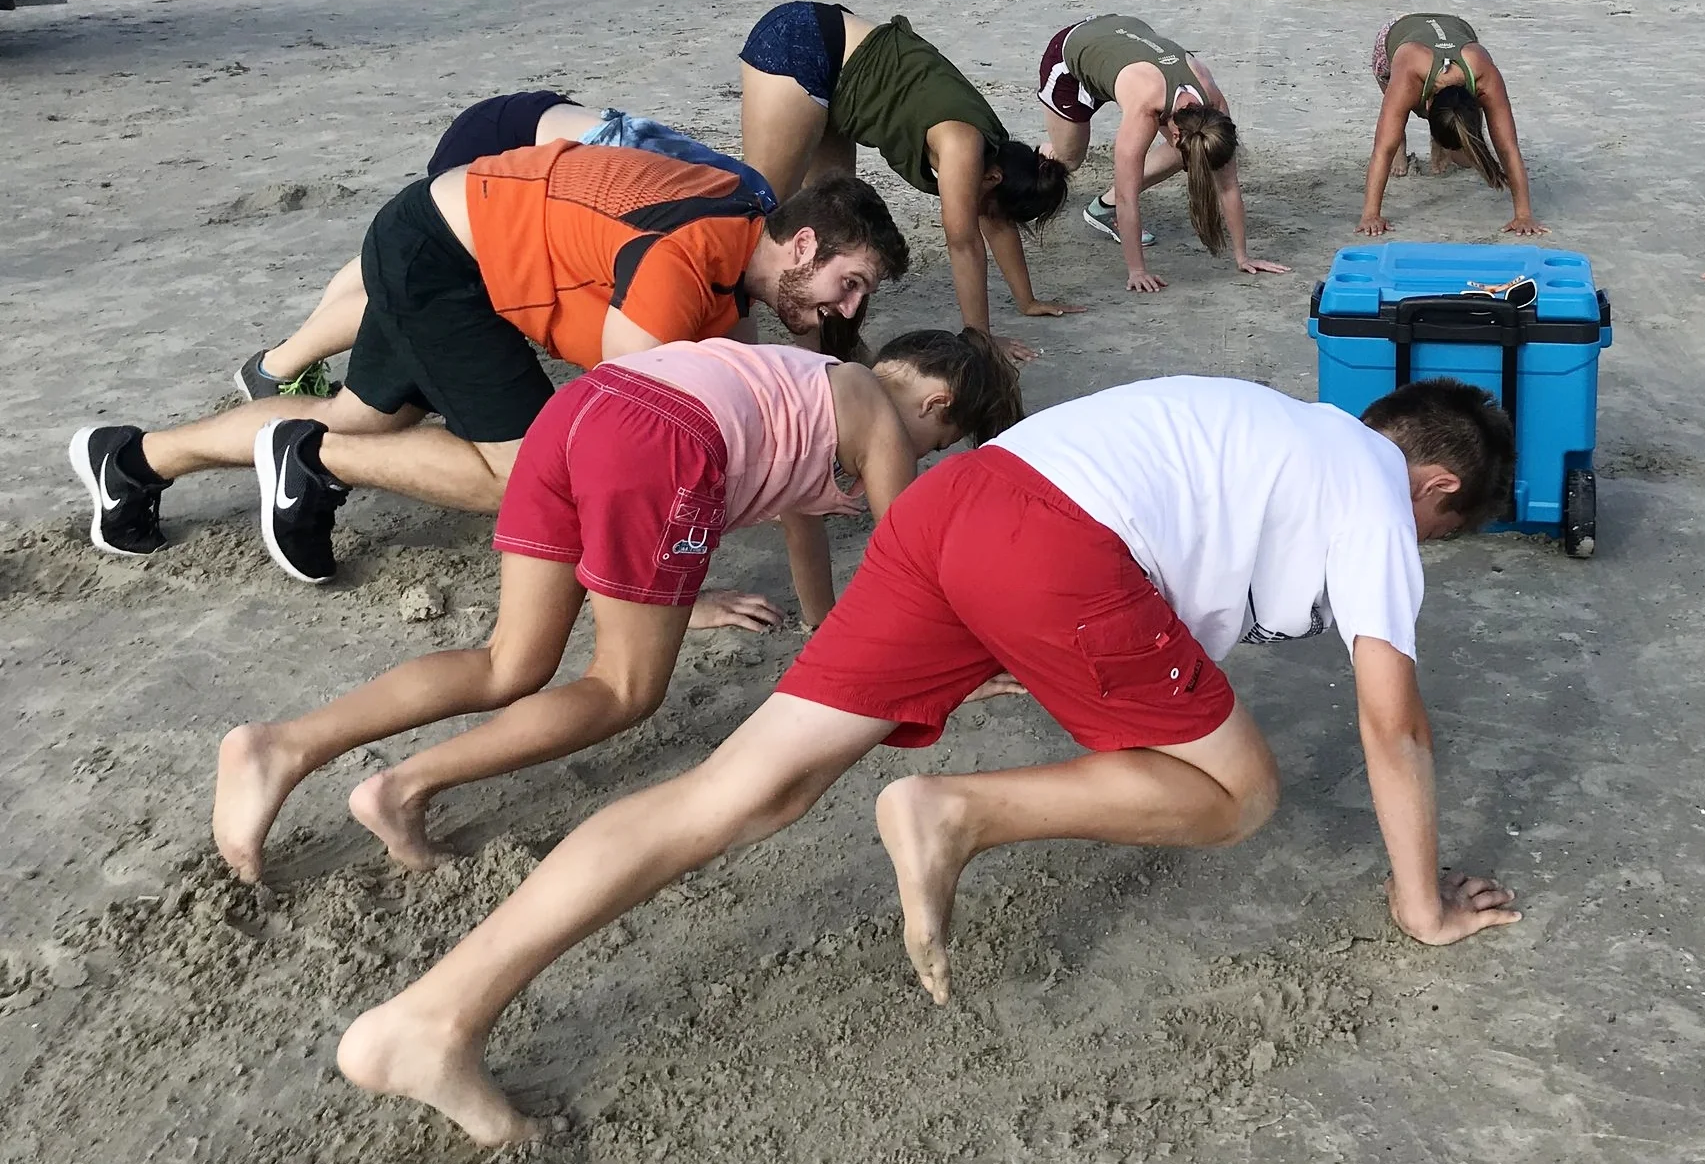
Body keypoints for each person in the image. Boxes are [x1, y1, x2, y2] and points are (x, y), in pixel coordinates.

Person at [332, 375, 1524, 1146]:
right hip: (1054, 545)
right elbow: (1392, 723)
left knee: (738, 792)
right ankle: (955, 815)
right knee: (1240, 791)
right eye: (1435, 534)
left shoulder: (1275, 428)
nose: (1412, 552)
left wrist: (1016, 628)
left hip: (956, 510)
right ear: (1435, 485)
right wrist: (1418, 902)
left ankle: (430, 1018)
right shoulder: (1375, 491)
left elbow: (1135, 541)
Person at [211, 329, 1022, 884]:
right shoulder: (879, 413)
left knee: (511, 663)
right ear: (936, 404)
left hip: (582, 410)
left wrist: (819, 621)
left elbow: (797, 516)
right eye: (937, 446)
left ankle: (282, 746)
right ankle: (404, 786)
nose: (920, 458)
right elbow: (908, 559)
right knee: (624, 688)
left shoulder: (805, 381)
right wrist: (952, 668)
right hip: (663, 440)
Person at [68, 143, 908, 584]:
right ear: (803, 244)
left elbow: (750, 390)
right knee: (532, 476)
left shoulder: (740, 246)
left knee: (361, 415)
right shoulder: (681, 267)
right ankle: (313, 462)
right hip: (445, 260)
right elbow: (623, 437)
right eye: (851, 285)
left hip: (446, 238)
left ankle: (131, 461)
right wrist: (680, 595)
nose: (848, 310)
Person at [241, 90, 777, 402]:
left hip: (535, 129)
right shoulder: (717, 227)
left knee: (392, 267)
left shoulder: (747, 208)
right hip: (511, 146)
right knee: (423, 279)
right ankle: (279, 366)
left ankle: (282, 361)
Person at [738, 1, 1076, 359]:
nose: (987, 218)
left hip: (839, 71)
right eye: (990, 209)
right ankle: (726, 343)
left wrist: (1026, 300)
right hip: (801, 46)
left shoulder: (998, 153)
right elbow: (963, 242)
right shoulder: (964, 144)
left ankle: (829, 347)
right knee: (757, 217)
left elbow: (997, 223)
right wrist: (980, 341)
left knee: (838, 228)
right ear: (993, 179)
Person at [1035, 14, 1291, 292]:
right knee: (1069, 159)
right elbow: (1127, 197)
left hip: (1120, 42)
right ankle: (1024, 161)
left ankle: (1102, 209)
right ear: (1176, 134)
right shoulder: (1144, 110)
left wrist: (1243, 256)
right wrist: (1137, 271)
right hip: (1072, 55)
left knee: (1194, 150)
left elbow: (1228, 185)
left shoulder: (1213, 103)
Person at [1357, 12, 1545, 238]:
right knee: (1391, 127)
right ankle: (1402, 140)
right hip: (1398, 30)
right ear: (1427, 106)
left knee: (1463, 160)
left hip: (1457, 28)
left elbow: (1508, 147)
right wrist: (1371, 214)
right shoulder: (1409, 77)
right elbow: (1381, 149)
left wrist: (1523, 214)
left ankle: (1445, 137)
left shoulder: (1485, 76)